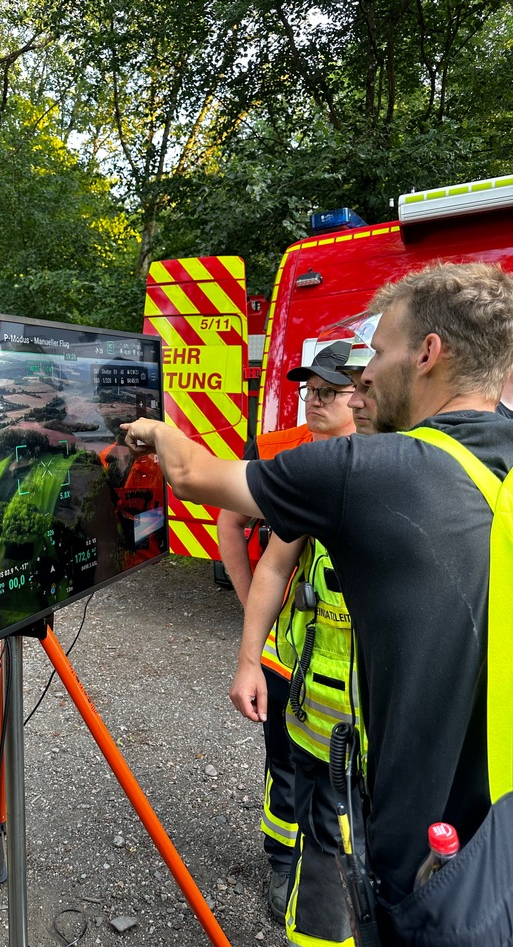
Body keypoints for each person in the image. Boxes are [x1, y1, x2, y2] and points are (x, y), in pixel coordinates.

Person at [121, 261, 513, 943]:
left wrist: (152, 429)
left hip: (427, 869)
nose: (363, 375)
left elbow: (193, 475)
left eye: (380, 352)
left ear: (429, 354)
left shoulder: (372, 470)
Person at [216, 343, 356, 921]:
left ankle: (337, 869)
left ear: (365, 395)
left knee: (345, 789)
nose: (315, 401)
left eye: (330, 392)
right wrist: (254, 610)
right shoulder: (284, 456)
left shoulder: (386, 456)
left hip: (352, 669)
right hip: (289, 657)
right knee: (286, 765)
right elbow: (234, 525)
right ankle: (282, 861)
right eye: (310, 391)